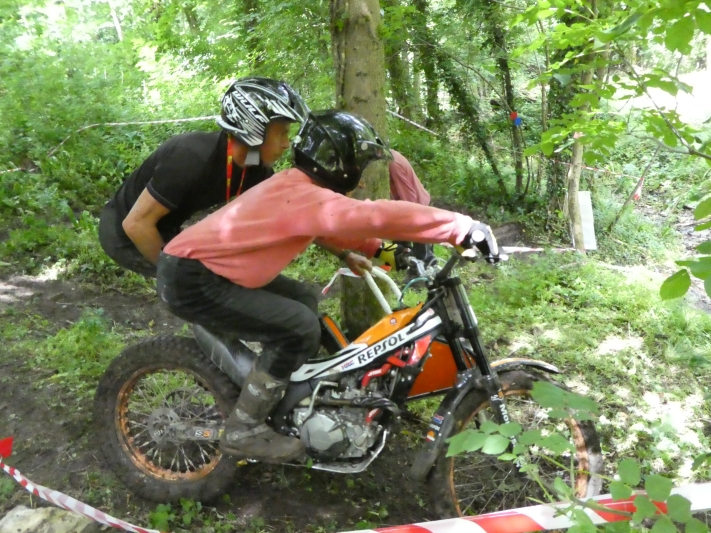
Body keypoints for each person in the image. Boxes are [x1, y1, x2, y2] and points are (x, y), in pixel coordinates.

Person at [156, 110, 499, 463]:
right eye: (359, 166)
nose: (360, 177)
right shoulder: (303, 194)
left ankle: (287, 391)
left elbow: (332, 226)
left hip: (206, 268)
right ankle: (243, 429)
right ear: (340, 163)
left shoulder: (298, 187)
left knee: (304, 300)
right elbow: (372, 216)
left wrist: (387, 253)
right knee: (299, 328)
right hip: (192, 277)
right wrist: (458, 227)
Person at [98, 77, 310, 278]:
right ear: (254, 130)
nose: (286, 144)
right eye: (281, 133)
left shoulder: (253, 163)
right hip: (125, 234)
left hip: (167, 229)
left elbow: (284, 208)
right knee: (199, 286)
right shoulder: (192, 157)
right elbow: (136, 224)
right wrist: (173, 277)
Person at [388, 149, 436, 268]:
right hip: (405, 207)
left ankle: (424, 268)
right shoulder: (391, 156)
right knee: (401, 248)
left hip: (417, 208)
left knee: (423, 256)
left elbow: (409, 198)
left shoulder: (393, 164)